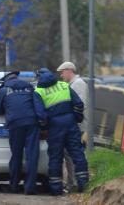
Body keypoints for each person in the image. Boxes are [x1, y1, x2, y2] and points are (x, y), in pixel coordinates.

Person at [33, 68, 89, 196]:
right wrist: (76, 118)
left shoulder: (38, 91)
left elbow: (40, 115)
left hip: (54, 126)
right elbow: (79, 104)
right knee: (77, 153)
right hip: (70, 123)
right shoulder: (64, 85)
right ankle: (83, 183)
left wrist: (45, 127)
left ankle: (56, 188)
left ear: (39, 78)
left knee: (55, 157)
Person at [0, 71, 46, 195]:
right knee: (32, 156)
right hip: (32, 123)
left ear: (6, 81)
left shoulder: (3, 90)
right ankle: (30, 188)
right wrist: (42, 121)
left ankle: (14, 186)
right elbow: (38, 105)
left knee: (16, 155)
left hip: (15, 124)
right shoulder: (30, 88)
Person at [56, 61, 88, 192]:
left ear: (69, 70)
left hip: (78, 126)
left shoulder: (78, 84)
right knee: (69, 155)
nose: (61, 76)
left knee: (73, 155)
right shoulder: (73, 84)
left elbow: (80, 105)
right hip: (74, 125)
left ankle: (74, 183)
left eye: (62, 72)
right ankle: (71, 182)